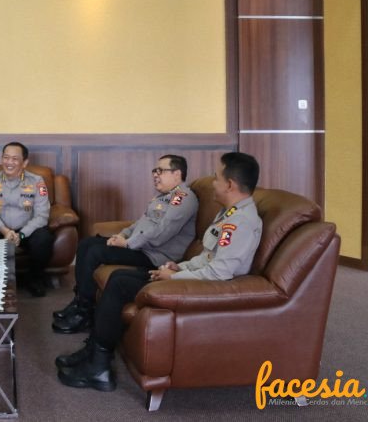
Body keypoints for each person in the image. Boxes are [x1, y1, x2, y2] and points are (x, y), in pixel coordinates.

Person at [57, 152, 262, 392]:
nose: (213, 182)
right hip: (191, 276)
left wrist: (174, 277)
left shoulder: (241, 222)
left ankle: (98, 366)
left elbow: (219, 273)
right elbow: (208, 257)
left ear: (230, 185)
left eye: (216, 177)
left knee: (120, 282)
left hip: (204, 288)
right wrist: (180, 267)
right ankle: (95, 352)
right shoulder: (229, 213)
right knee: (119, 277)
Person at [52, 154, 197, 334]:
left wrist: (127, 243)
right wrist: (121, 235)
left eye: (161, 171)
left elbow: (161, 233)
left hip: (155, 256)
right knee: (87, 243)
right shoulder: (162, 197)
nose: (155, 174)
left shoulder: (182, 198)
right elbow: (139, 224)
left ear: (177, 174)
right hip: (142, 247)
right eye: (155, 170)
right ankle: (80, 300)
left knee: (95, 252)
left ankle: (85, 313)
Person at [0, 142, 53, 297]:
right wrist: (5, 231)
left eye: (15, 159)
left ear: (25, 162)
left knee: (43, 237)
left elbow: (42, 215)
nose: (9, 162)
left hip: (26, 231)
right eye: (6, 157)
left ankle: (34, 279)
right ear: (1, 159)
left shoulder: (37, 181)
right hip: (0, 230)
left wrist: (21, 234)